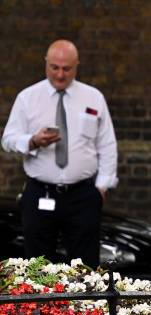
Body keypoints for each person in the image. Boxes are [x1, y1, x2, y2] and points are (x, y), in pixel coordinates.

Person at [2, 39, 118, 268]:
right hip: (40, 192)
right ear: (46, 64)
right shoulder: (28, 97)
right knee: (37, 265)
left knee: (86, 267)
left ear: (77, 66)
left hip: (83, 194)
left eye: (67, 68)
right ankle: (40, 306)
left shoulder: (93, 97)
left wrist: (103, 185)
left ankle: (84, 304)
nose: (60, 75)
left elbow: (107, 143)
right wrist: (33, 141)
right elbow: (8, 139)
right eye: (55, 67)